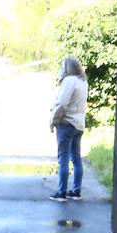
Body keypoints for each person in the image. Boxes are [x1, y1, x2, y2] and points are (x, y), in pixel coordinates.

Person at [47, 55, 89, 201]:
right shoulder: (83, 81)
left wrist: (53, 120)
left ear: (68, 67)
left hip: (66, 124)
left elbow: (62, 104)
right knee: (76, 158)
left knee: (63, 158)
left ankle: (62, 192)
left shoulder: (69, 81)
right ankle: (76, 191)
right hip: (79, 124)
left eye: (62, 66)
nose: (61, 69)